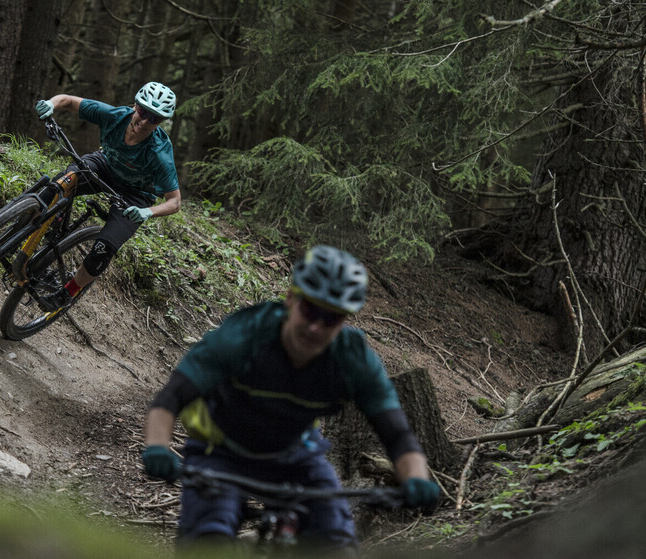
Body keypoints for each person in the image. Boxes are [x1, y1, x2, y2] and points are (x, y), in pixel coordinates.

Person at [140, 245, 440, 553]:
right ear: (290, 299)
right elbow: (170, 398)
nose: (315, 327)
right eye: (310, 309)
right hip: (221, 451)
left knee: (336, 545)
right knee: (207, 541)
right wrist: (157, 447)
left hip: (295, 456)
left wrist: (416, 478)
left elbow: (398, 434)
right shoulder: (244, 337)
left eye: (331, 318)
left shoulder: (353, 360)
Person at [32, 82, 182, 311]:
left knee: (104, 247)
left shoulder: (160, 152)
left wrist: (146, 212)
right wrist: (50, 105)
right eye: (142, 112)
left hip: (135, 196)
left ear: (160, 123)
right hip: (105, 165)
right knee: (61, 183)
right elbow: (69, 101)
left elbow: (175, 202)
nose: (143, 121)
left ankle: (68, 293)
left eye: (153, 118)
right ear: (135, 106)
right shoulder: (115, 116)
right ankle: (34, 231)